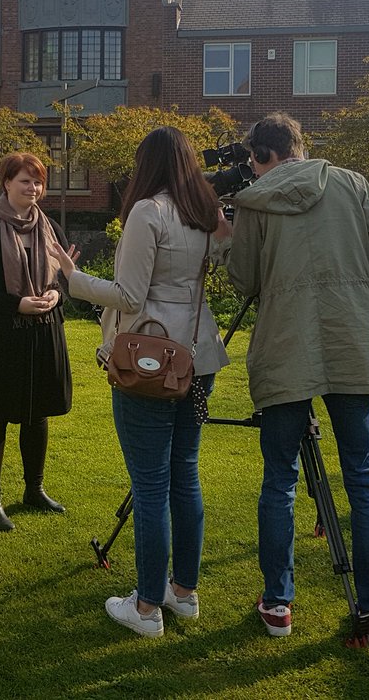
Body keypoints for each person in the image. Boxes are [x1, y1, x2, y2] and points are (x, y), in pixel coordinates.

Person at [226, 112, 369, 648]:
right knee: (365, 483)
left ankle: (278, 603)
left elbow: (243, 280)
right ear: (300, 147)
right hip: (354, 343)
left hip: (286, 348)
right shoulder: (352, 184)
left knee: (278, 481)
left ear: (261, 155)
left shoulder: (255, 201)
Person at [50, 126, 232, 638]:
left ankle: (148, 606)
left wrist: (72, 277)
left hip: (149, 360)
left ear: (146, 164)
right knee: (185, 475)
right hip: (198, 356)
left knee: (151, 485)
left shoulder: (148, 212)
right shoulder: (207, 215)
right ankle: (184, 592)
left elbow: (129, 295)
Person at [0, 155, 72, 532]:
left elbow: (65, 276)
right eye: (25, 181)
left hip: (43, 331)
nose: (34, 189)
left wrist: (56, 295)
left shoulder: (50, 227)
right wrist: (16, 304)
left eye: (38, 182)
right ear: (6, 183)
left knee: (37, 411)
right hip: (2, 335)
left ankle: (33, 490)